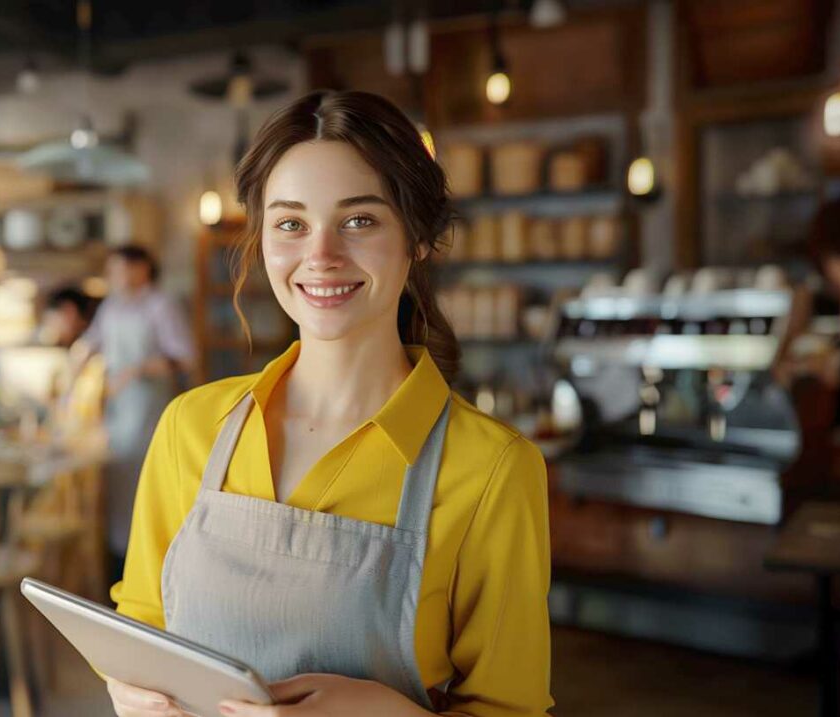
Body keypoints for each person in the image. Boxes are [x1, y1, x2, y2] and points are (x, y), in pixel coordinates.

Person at [106, 91, 553, 717]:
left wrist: (387, 711)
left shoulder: (492, 468)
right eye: (291, 223)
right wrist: (131, 692)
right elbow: (145, 623)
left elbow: (512, 708)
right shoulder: (191, 426)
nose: (321, 256)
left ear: (418, 237)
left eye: (360, 220)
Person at [72, 246, 196, 583]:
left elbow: (184, 357)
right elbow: (92, 341)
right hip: (116, 410)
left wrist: (138, 370)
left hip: (148, 409)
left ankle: (148, 570)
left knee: (144, 486)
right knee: (117, 485)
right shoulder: (111, 307)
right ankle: (118, 572)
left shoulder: (161, 305)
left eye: (121, 269)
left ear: (142, 269)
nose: (116, 276)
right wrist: (76, 357)